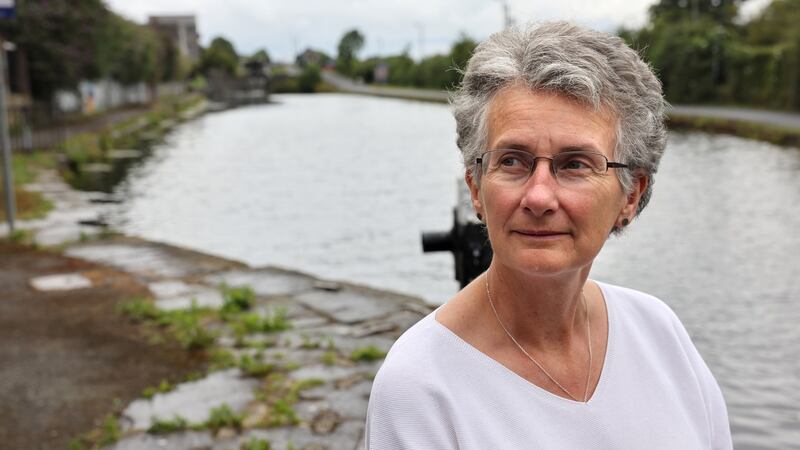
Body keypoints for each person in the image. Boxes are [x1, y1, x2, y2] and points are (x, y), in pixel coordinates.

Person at [365, 21, 732, 449]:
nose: (539, 196)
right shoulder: (421, 387)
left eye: (575, 163)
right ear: (476, 189)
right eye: (513, 161)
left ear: (631, 195)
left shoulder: (659, 333)